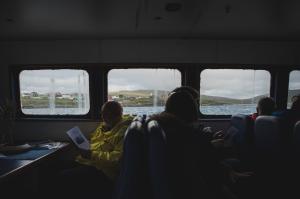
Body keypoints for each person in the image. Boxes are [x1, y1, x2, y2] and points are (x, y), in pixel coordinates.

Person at [150, 90, 250, 199]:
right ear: (189, 109)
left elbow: (194, 154)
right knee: (234, 166)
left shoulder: (168, 127)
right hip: (188, 184)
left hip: (184, 177)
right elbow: (197, 160)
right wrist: (225, 171)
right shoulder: (179, 131)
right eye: (195, 104)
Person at [58, 101, 133, 198]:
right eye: (102, 113)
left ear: (117, 114)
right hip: (89, 162)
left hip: (104, 172)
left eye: (106, 114)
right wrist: (80, 145)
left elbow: (117, 159)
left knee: (62, 177)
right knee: (54, 166)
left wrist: (91, 155)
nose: (103, 116)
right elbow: (94, 143)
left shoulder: (124, 132)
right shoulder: (103, 127)